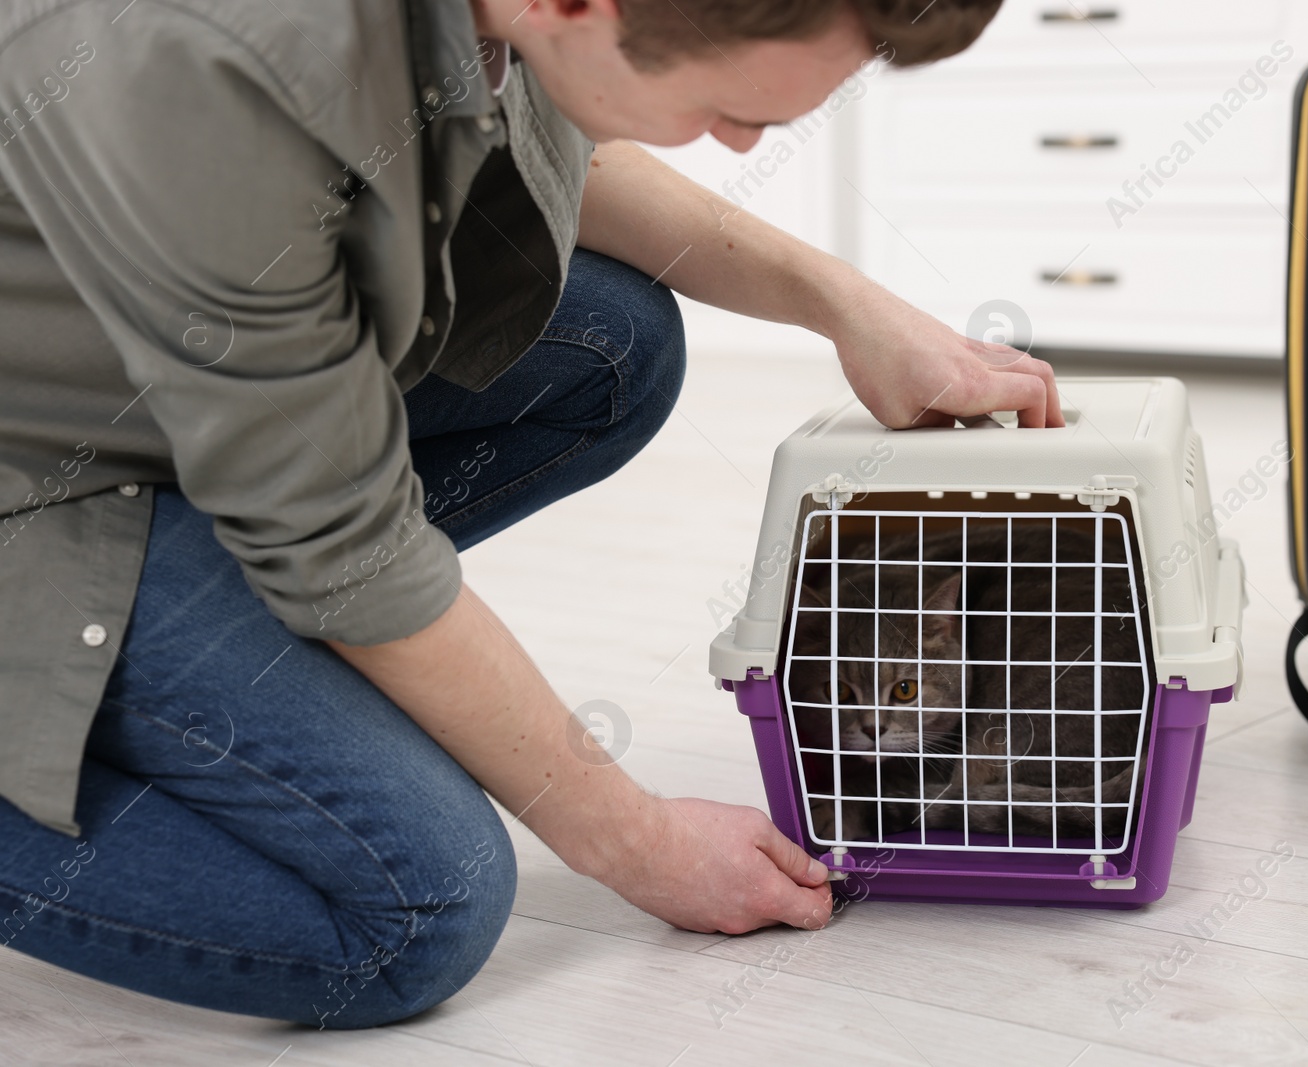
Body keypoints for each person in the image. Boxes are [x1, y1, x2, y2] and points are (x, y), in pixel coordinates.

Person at [0, 0, 1062, 1029]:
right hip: (40, 475)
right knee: (416, 910)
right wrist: (636, 838)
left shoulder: (520, 18)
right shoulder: (208, 64)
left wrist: (847, 305)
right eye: (731, 111)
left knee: (611, 344)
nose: (738, 146)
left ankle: (234, 605)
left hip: (154, 382)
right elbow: (349, 550)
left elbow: (548, 147)